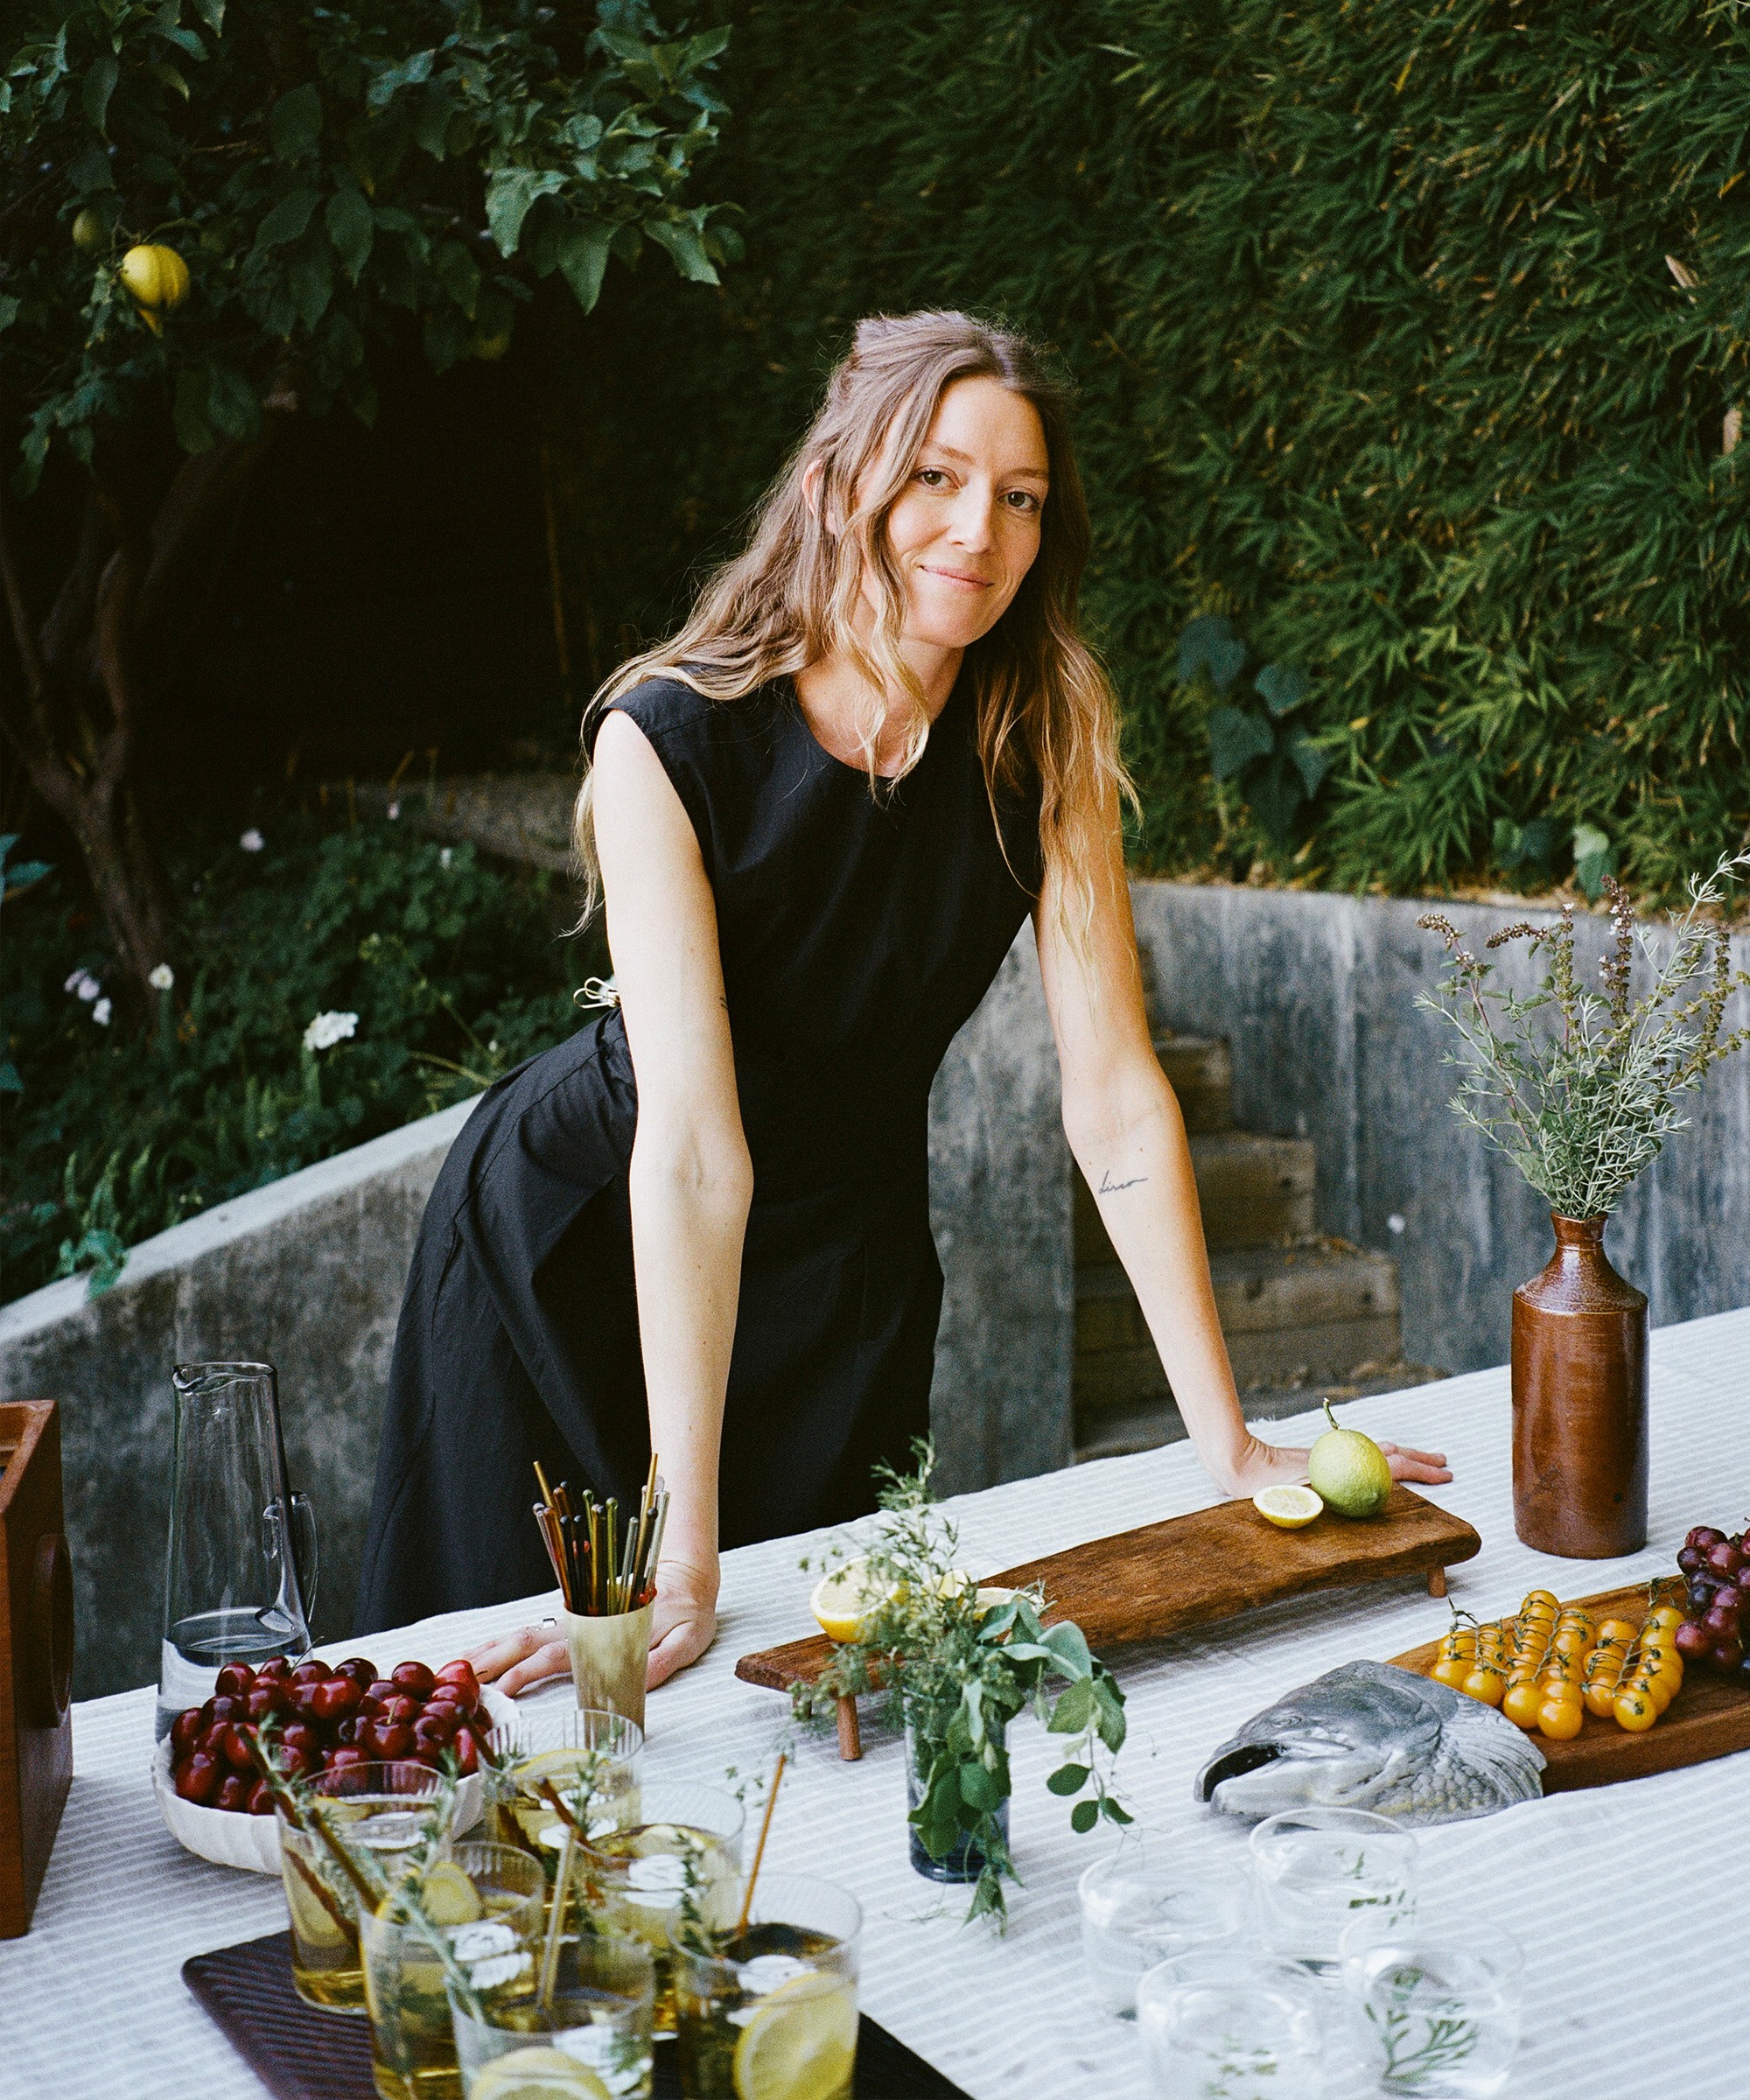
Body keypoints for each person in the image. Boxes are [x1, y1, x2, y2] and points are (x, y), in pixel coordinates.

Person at [355, 310, 1450, 1694]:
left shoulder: (1039, 739)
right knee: (542, 1698)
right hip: (584, 1241)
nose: (975, 529)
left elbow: (1114, 1102)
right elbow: (692, 1153)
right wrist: (682, 1543)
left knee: (829, 1695)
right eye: (933, 475)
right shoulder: (667, 739)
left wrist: (1226, 1446)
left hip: (843, 1262)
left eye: (1019, 496)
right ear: (834, 486)